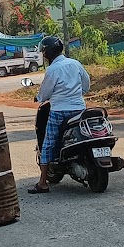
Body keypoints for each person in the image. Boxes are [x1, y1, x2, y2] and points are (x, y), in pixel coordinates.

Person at [30, 35, 90, 193]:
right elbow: (86, 83)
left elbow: (45, 93)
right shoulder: (75, 63)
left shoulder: (52, 70)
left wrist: (40, 98)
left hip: (59, 112)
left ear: (48, 53)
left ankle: (42, 183)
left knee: (48, 143)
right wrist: (78, 94)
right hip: (79, 109)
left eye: (44, 52)